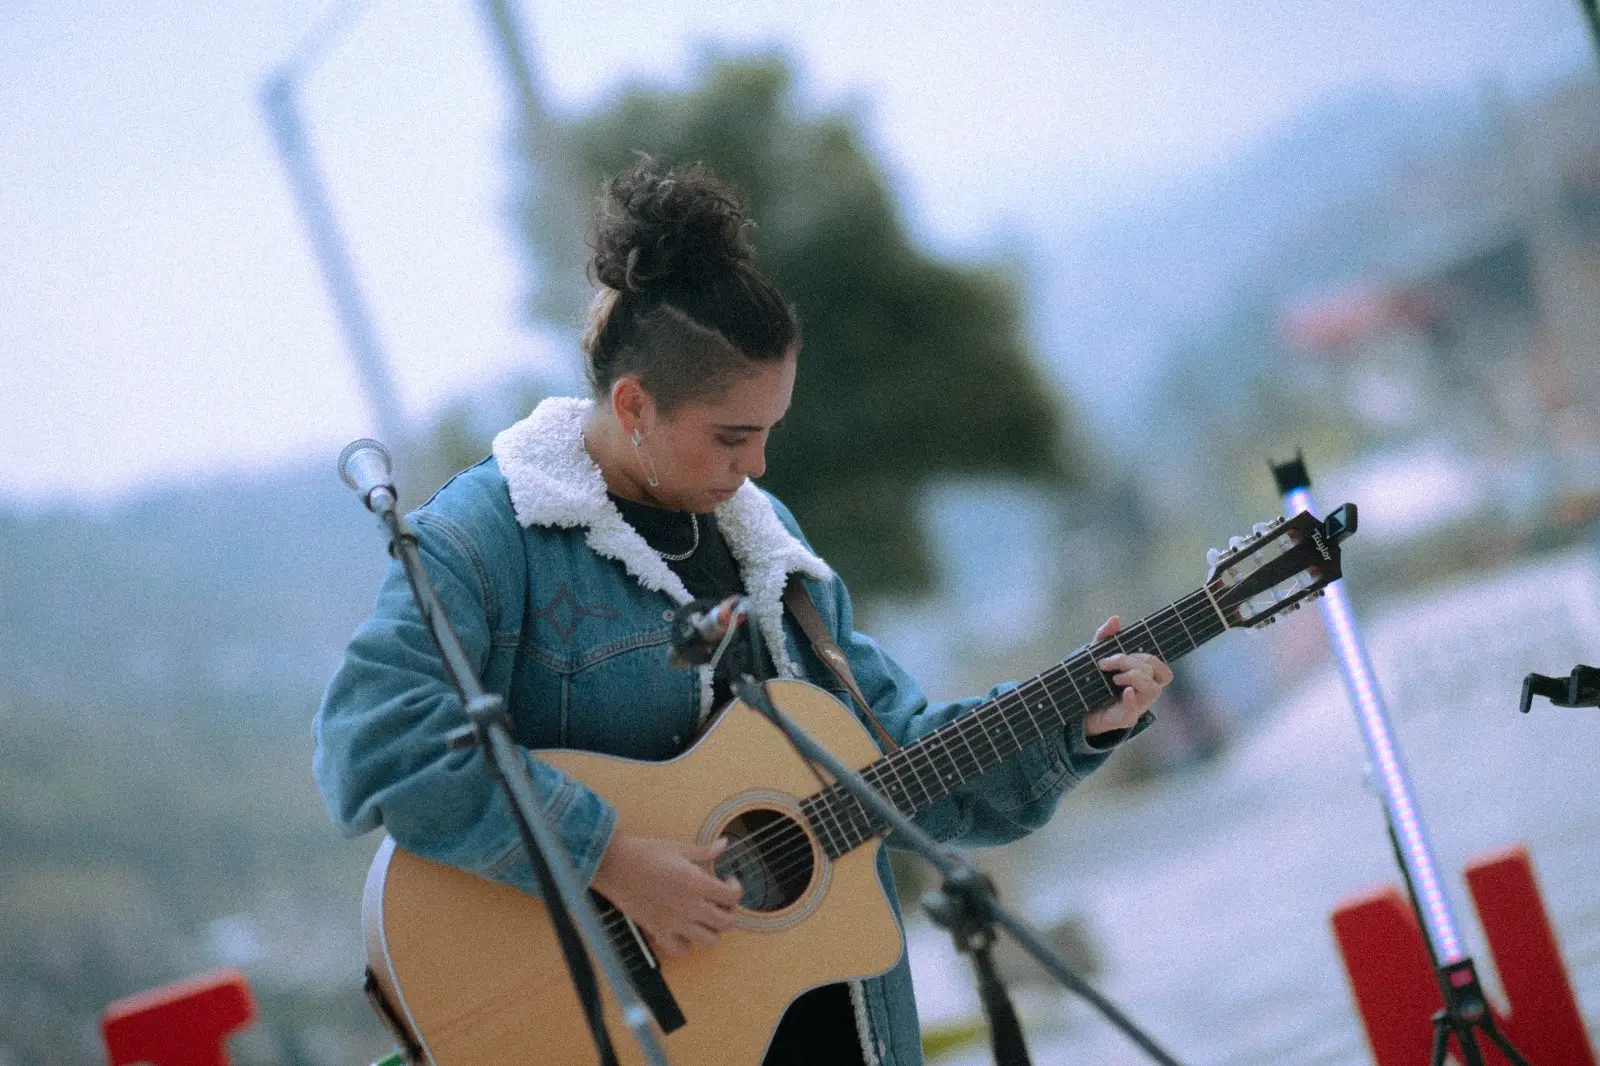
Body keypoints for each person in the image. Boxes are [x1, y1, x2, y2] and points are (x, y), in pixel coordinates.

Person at [314, 160, 1172, 1066]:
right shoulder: (490, 535)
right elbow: (371, 745)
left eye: (769, 432)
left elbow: (904, 764)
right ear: (635, 403)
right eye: (732, 437)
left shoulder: (770, 545)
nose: (757, 467)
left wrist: (1075, 721)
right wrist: (610, 859)